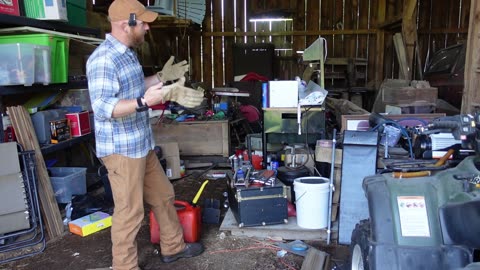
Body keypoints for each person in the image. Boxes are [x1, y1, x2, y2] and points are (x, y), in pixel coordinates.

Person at [86, 0, 204, 269]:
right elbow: (104, 108)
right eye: (142, 22)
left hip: (141, 143)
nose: (148, 27)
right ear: (123, 24)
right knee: (130, 213)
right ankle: (125, 266)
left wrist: (163, 77)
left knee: (164, 196)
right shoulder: (103, 59)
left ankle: (173, 248)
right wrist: (144, 102)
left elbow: (137, 86)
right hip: (121, 150)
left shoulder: (127, 52)